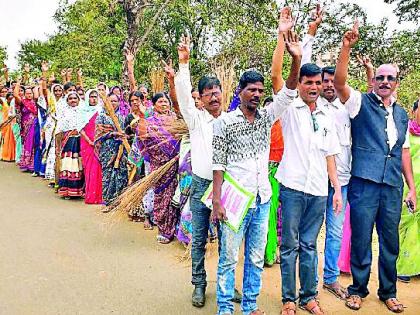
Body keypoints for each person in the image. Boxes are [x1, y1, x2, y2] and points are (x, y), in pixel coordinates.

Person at [212, 28, 303, 314]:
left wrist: (296, 59)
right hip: (234, 201)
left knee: (253, 258)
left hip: (262, 200)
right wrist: (217, 200)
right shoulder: (225, 123)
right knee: (228, 258)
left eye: (261, 91)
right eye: (252, 89)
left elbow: (288, 93)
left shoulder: (265, 119)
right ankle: (225, 308)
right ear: (241, 92)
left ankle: (250, 307)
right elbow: (218, 163)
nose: (257, 94)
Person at [334, 21, 416, 313]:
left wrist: (412, 188)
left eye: (389, 77)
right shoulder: (360, 103)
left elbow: (403, 151)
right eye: (379, 76)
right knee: (360, 237)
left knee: (390, 240)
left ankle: (388, 291)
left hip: (393, 186)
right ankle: (357, 289)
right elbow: (340, 83)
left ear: (396, 82)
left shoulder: (403, 113)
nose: (383, 81)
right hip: (364, 184)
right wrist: (346, 47)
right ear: (375, 80)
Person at [175, 36, 245, 308]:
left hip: (226, 188)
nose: (215, 95)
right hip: (202, 185)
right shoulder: (196, 121)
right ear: (201, 100)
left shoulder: (231, 120)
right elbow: (183, 95)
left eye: (218, 91)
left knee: (229, 240)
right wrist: (184, 64)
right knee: (199, 239)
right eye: (209, 92)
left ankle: (228, 285)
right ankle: (199, 285)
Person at [135, 92, 180, 244]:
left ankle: (176, 228)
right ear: (154, 105)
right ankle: (164, 229)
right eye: (160, 101)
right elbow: (142, 143)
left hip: (176, 164)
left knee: (176, 196)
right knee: (161, 195)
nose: (164, 104)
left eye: (166, 101)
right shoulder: (148, 122)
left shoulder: (177, 120)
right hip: (159, 165)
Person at [396, 100, 420, 282]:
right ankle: (401, 267)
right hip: (407, 186)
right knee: (405, 224)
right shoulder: (405, 133)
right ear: (413, 111)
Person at [95, 93, 128, 205]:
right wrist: (112, 134)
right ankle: (107, 200)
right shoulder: (101, 117)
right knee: (108, 174)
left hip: (120, 149)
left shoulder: (121, 117)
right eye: (111, 101)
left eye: (115, 101)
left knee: (120, 173)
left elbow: (125, 132)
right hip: (107, 149)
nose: (113, 103)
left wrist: (122, 135)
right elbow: (99, 135)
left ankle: (119, 199)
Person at [56, 92, 85, 198]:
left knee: (80, 165)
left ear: (79, 100)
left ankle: (80, 190)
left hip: (81, 141)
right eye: (70, 98)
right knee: (69, 165)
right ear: (67, 101)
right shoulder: (64, 113)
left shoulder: (83, 112)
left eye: (75, 98)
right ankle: (67, 191)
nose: (73, 100)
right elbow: (59, 130)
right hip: (68, 142)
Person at [79, 89, 103, 204]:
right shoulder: (82, 111)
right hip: (87, 143)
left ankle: (100, 196)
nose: (94, 99)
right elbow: (80, 129)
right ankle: (91, 196)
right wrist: (90, 141)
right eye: (91, 97)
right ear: (87, 98)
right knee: (89, 169)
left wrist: (99, 140)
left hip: (99, 143)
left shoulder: (101, 110)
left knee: (99, 169)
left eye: (95, 97)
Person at [13, 80, 38, 173]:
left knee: (34, 143)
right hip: (26, 127)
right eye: (27, 93)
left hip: (35, 125)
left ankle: (33, 164)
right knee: (27, 143)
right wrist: (18, 83)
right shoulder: (22, 102)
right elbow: (15, 95)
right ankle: (26, 163)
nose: (29, 95)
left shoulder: (36, 102)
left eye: (30, 93)